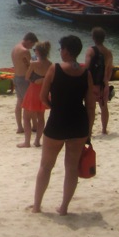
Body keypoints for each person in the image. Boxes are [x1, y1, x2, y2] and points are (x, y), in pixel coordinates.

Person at [32, 34, 95, 216]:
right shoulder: (86, 73)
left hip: (58, 121)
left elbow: (43, 97)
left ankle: (37, 206)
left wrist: (55, 107)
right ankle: (64, 207)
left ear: (67, 50)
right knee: (71, 167)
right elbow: (90, 106)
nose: (60, 52)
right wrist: (89, 131)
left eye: (61, 49)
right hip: (79, 123)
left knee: (46, 166)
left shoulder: (55, 69)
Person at [18, 40, 52, 148]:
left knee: (26, 117)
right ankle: (37, 141)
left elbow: (27, 77)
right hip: (44, 91)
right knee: (41, 117)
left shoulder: (34, 64)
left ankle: (27, 142)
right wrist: (42, 79)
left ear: (38, 52)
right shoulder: (50, 64)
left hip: (33, 91)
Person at [83, 27, 114, 135]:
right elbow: (110, 69)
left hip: (92, 84)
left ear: (93, 37)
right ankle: (104, 129)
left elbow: (87, 68)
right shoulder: (109, 52)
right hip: (103, 83)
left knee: (90, 108)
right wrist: (106, 80)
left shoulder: (90, 50)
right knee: (104, 107)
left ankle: (89, 130)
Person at [11, 32, 38, 133]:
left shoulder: (15, 48)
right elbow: (31, 66)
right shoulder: (25, 51)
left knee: (19, 102)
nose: (31, 48)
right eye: (32, 45)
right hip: (24, 79)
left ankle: (20, 126)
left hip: (16, 77)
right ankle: (34, 125)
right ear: (29, 41)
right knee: (29, 103)